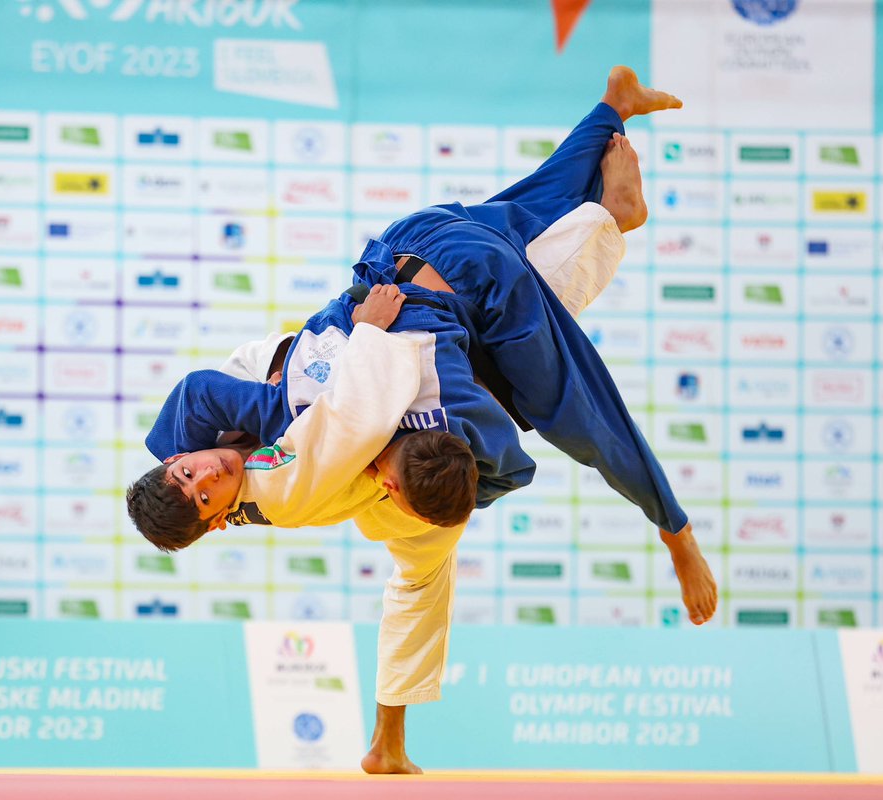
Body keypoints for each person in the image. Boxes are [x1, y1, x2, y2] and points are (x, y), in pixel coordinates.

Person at [127, 65, 717, 773]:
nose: (205, 473)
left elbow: (570, 429)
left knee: (567, 381)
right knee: (528, 218)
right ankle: (610, 109)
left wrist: (673, 528)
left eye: (187, 471)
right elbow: (340, 422)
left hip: (449, 289)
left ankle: (616, 216)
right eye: (203, 493)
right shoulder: (318, 458)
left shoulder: (307, 456)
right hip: (415, 254)